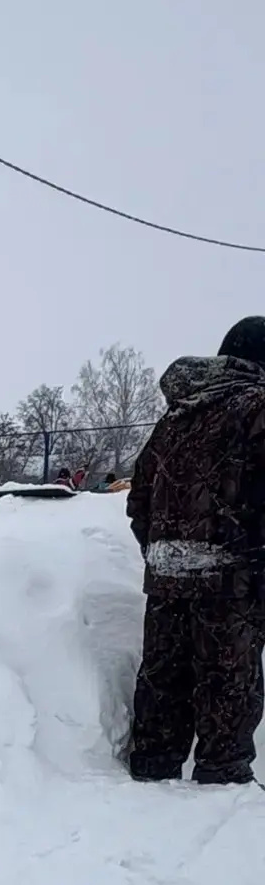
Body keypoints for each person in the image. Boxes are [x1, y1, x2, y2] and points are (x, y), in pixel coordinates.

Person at [126, 317, 265, 786]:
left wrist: (163, 548)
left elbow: (138, 496)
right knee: (228, 683)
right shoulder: (257, 407)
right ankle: (221, 783)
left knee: (163, 679)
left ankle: (149, 771)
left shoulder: (176, 415)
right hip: (232, 578)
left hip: (167, 570)